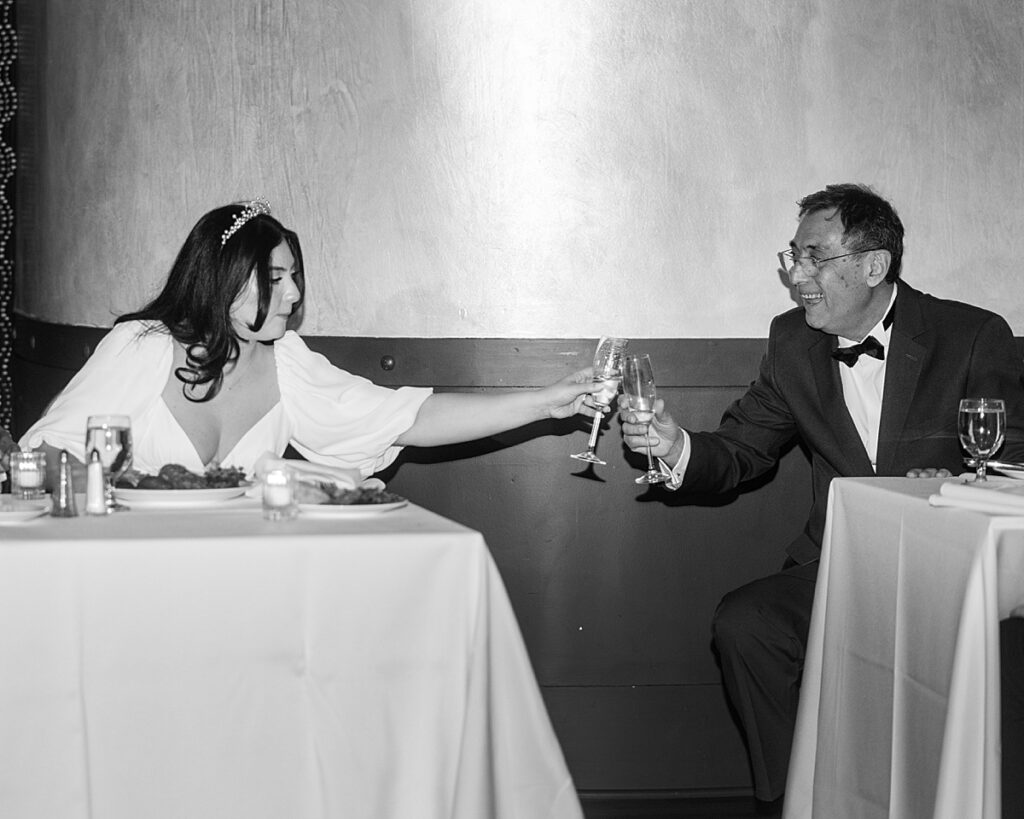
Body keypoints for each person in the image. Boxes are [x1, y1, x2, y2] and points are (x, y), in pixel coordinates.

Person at [618, 183, 1024, 810]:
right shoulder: (792, 343)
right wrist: (675, 447)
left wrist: (956, 485)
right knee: (746, 624)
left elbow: (1012, 456)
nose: (797, 276)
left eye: (815, 258)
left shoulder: (971, 334)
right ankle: (796, 801)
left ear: (873, 265)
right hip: (840, 567)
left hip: (952, 573)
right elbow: (742, 450)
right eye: (793, 257)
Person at [20, 199, 594, 486]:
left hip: (249, 586)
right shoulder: (142, 346)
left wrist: (544, 402)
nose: (293, 293)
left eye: (294, 275)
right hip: (135, 580)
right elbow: (42, 453)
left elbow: (405, 418)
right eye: (274, 278)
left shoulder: (285, 363)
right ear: (222, 279)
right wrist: (131, 493)